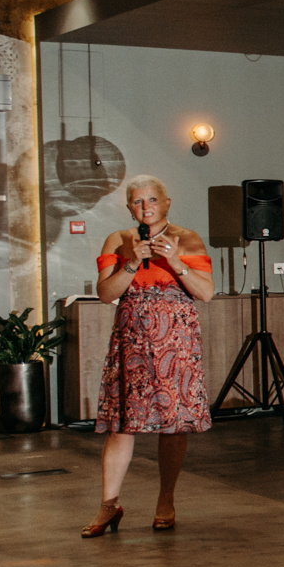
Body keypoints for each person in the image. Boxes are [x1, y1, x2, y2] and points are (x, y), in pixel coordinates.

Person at [85, 175, 215, 538]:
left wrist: (176, 261)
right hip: (132, 342)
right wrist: (130, 264)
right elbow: (105, 293)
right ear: (129, 207)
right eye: (138, 202)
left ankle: (166, 500)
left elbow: (205, 293)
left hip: (176, 343)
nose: (145, 208)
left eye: (152, 200)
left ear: (166, 202)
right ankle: (108, 505)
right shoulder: (118, 240)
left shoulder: (187, 239)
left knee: (172, 423)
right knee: (122, 424)